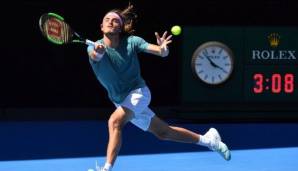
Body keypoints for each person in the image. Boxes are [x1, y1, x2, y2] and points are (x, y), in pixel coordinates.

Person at [87, 4, 231, 171]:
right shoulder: (93, 46)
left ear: (120, 28)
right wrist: (98, 51)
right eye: (107, 20)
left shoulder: (132, 42)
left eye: (115, 21)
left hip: (138, 93)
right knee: (163, 132)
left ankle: (106, 169)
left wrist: (163, 49)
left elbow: (159, 51)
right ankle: (210, 140)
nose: (111, 22)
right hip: (119, 100)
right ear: (101, 26)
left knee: (115, 121)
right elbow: (95, 56)